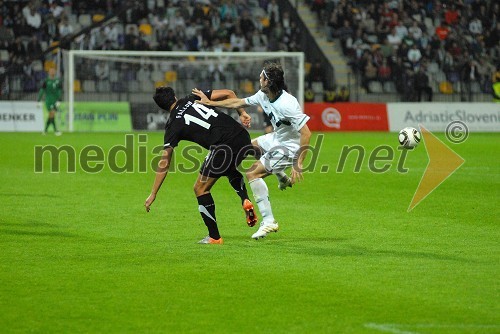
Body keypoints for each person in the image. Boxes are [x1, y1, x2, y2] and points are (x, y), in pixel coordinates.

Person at [193, 62, 312, 240]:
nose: (259, 78)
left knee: (252, 173)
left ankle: (269, 220)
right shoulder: (263, 96)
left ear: (268, 82)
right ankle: (282, 177)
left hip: (289, 147)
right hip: (276, 138)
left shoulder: (288, 104)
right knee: (246, 147)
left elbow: (306, 133)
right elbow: (237, 102)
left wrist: (298, 162)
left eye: (262, 76)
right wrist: (210, 102)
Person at [144, 86, 257, 245]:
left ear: (162, 107)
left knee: (200, 188)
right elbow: (230, 93)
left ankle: (214, 237)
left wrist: (153, 193)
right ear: (175, 96)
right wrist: (242, 113)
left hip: (222, 146)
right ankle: (245, 198)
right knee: (228, 167)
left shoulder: (172, 125)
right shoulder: (193, 97)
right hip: (242, 135)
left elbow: (165, 162)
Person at [37, 67, 62, 135]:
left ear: (55, 72)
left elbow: (60, 91)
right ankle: (55, 130)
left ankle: (45, 131)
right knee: (52, 113)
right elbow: (42, 90)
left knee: (52, 115)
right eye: (51, 71)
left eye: (53, 71)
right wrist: (38, 100)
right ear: (49, 72)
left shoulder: (58, 81)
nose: (52, 72)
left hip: (55, 101)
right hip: (48, 100)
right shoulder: (46, 81)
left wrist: (59, 100)